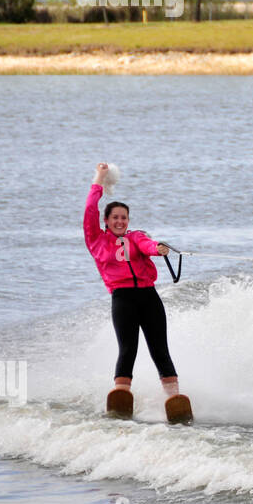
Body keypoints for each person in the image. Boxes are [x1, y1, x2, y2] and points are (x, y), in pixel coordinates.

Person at [83, 162, 180, 402]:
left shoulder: (136, 237)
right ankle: (121, 395)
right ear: (106, 220)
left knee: (160, 350)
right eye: (115, 217)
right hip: (123, 299)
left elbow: (147, 245)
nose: (120, 221)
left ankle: (174, 399)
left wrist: (158, 249)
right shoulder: (96, 240)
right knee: (128, 350)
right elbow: (89, 209)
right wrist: (99, 178)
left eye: (124, 218)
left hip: (149, 297)